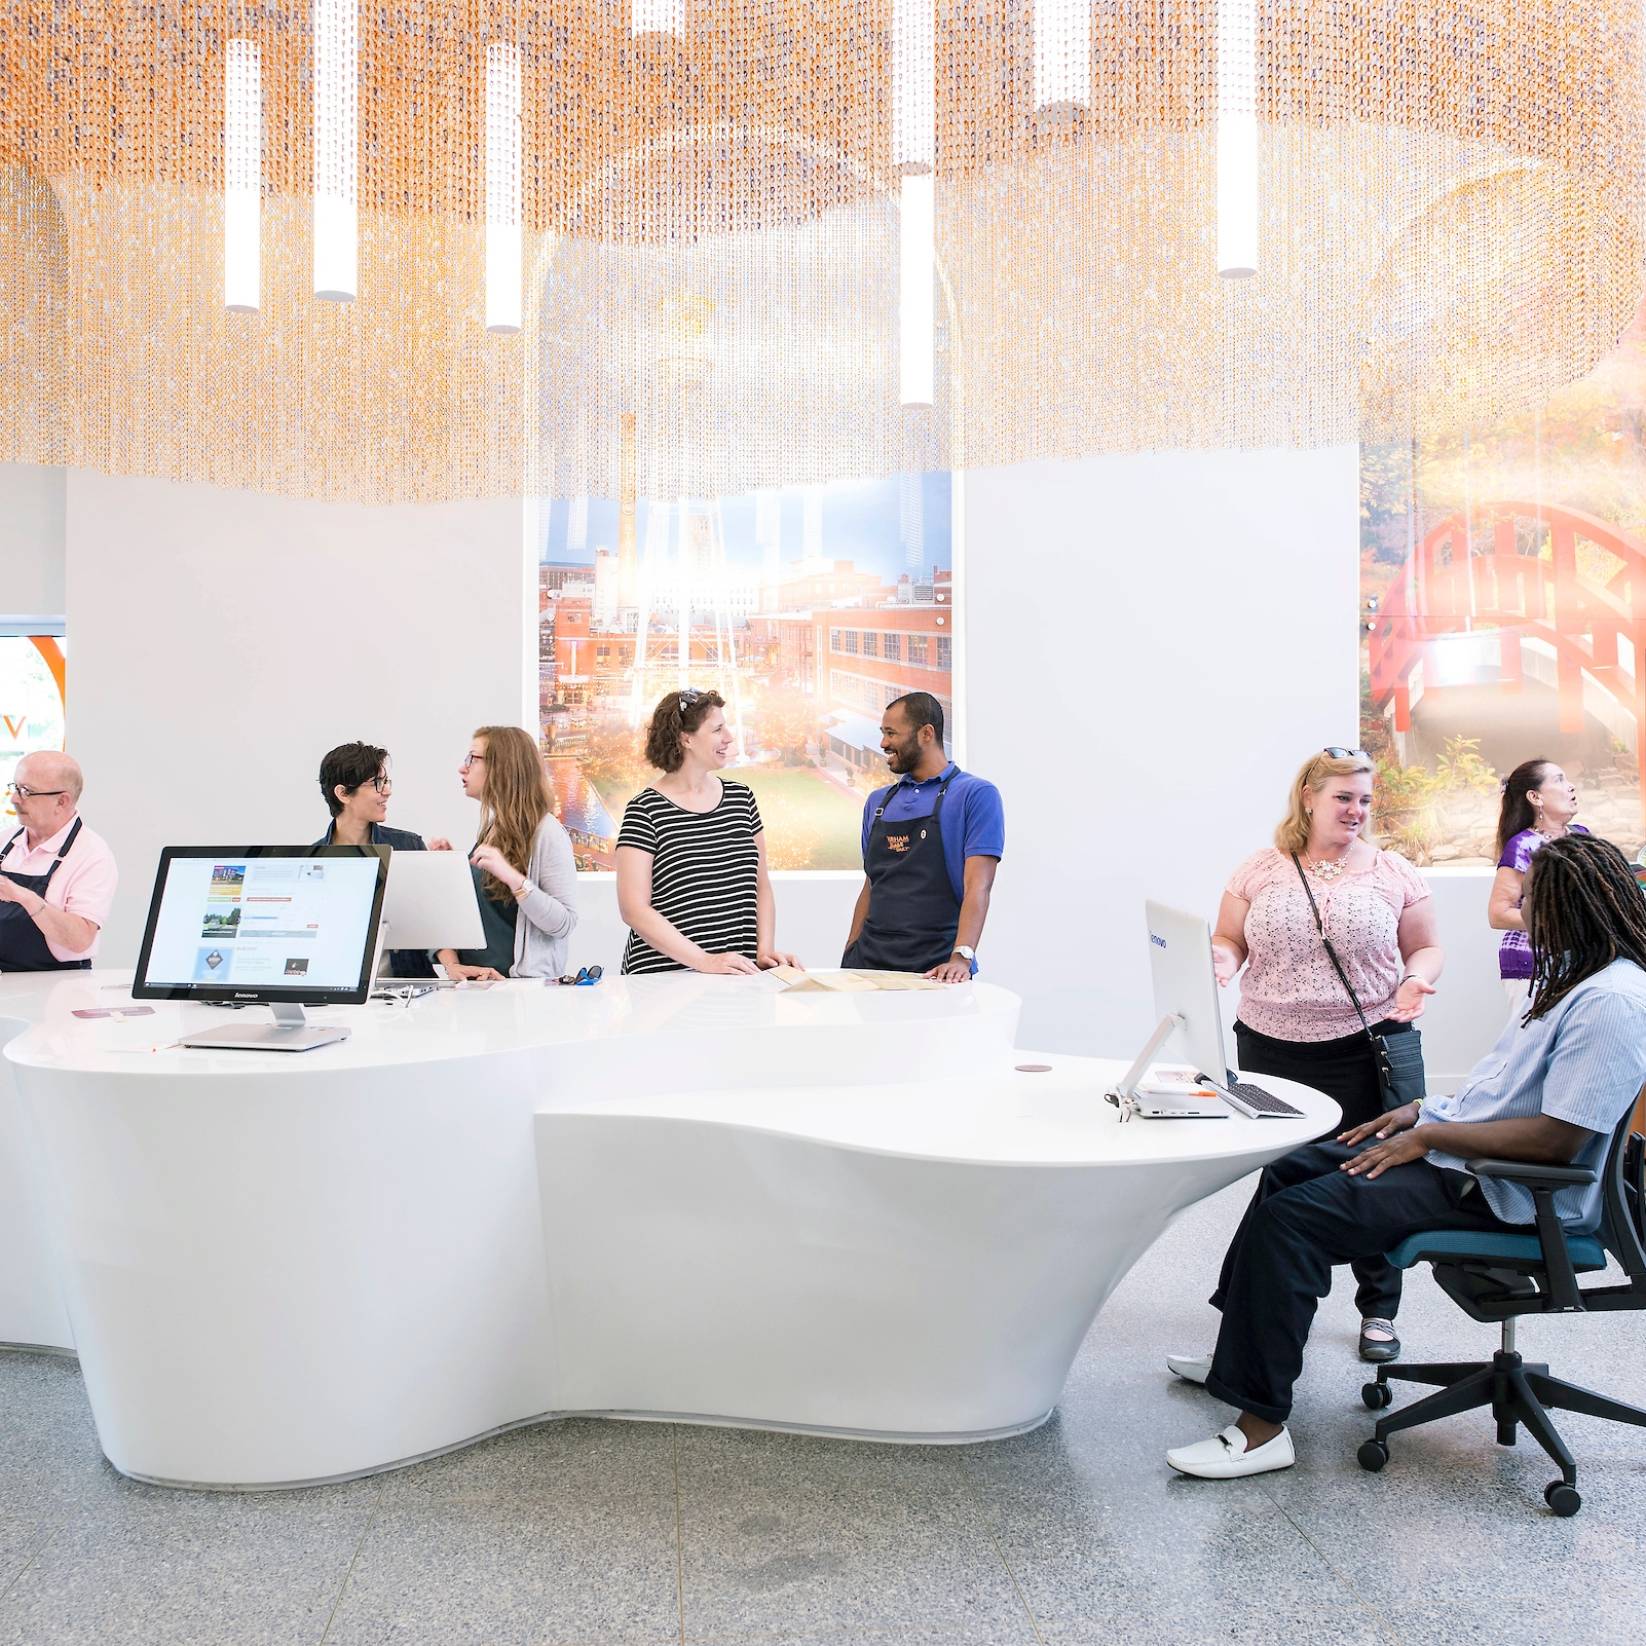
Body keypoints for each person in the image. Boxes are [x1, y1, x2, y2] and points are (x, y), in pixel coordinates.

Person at [1163, 834, 1646, 1480]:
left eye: (1532, 900)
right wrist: (1421, 1112)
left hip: (1509, 1192)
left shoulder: (1611, 1001)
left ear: (1570, 906)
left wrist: (1428, 1139)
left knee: (1295, 1220)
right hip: (1459, 1157)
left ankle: (1260, 1429)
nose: (1520, 912)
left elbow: (1556, 1140)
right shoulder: (1568, 981)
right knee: (1288, 1172)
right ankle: (1238, 1354)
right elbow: (1503, 1094)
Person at [1210, 747, 1442, 1365]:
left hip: (1362, 1049)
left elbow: (1425, 948)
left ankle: (1379, 1312)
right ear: (1308, 797)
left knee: (1368, 1175)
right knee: (1280, 1186)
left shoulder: (1393, 873)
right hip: (1269, 1047)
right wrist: (1222, 961)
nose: (1357, 810)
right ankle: (1264, 1321)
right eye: (1343, 797)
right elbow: (1229, 937)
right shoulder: (1260, 868)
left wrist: (1416, 979)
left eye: (1366, 799)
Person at [615, 688, 798, 976]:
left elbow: (761, 886)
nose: (729, 737)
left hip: (736, 976)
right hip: (663, 982)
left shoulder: (742, 798)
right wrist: (703, 960)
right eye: (717, 729)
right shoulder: (644, 810)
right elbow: (634, 909)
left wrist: (764, 951)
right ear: (686, 738)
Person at [841, 692, 1004, 982]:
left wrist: (961, 958)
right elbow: (872, 883)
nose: (883, 744)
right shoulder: (878, 803)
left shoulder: (975, 795)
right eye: (882, 733)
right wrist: (849, 954)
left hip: (936, 970)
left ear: (926, 733)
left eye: (891, 733)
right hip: (868, 968)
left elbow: (978, 885)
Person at [441, 726, 578, 980]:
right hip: (479, 988)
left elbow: (564, 923)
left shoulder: (547, 833)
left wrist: (514, 878)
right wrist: (453, 869)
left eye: (472, 758)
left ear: (502, 766)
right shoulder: (492, 828)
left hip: (519, 995)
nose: (463, 768)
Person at [310, 741, 446, 979]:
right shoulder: (311, 861)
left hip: (404, 992)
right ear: (343, 793)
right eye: (377, 784)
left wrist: (452, 966)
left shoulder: (407, 846)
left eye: (386, 782)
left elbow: (432, 921)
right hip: (338, 991)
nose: (387, 791)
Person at [0, 752, 117, 972]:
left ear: (61, 801)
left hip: (59, 985)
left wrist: (23, 897)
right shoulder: (5, 841)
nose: (14, 799)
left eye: (26, 791)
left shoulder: (92, 855)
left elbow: (80, 939)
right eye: (15, 788)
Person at [1488, 758, 1587, 1016]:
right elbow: (1498, 914)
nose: (1571, 786)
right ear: (1535, 797)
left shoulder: (1583, 836)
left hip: (1580, 960)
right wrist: (1555, 922)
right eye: (1559, 780)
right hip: (1531, 966)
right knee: (1532, 1048)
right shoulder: (1523, 845)